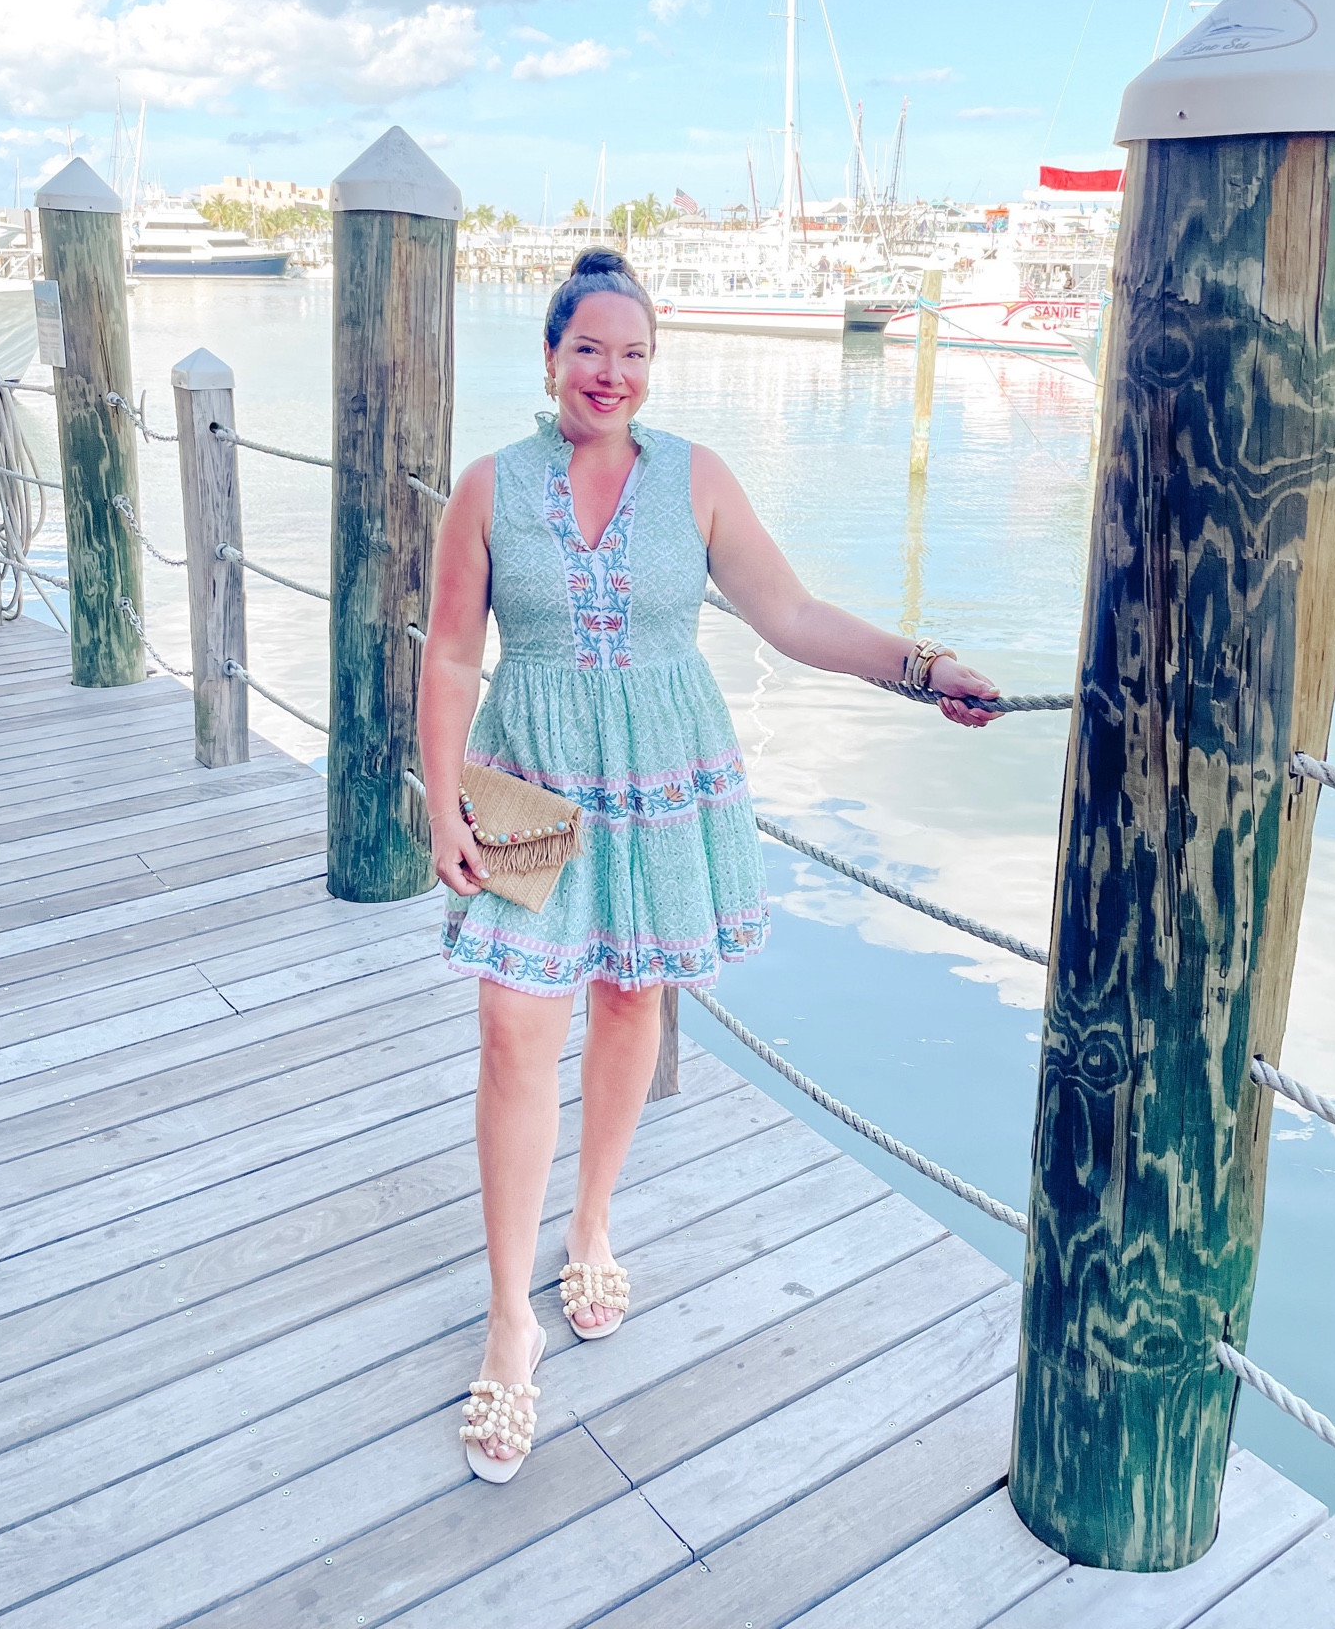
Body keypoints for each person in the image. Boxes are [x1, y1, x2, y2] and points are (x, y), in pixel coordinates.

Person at [416, 248, 1000, 1482]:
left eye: (633, 353)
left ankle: (590, 1229)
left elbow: (789, 617)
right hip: (525, 774)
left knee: (632, 997)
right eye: (589, 349)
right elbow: (453, 653)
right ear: (551, 355)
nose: (610, 374)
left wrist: (919, 666)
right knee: (516, 1027)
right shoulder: (490, 485)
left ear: (652, 365)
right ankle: (510, 1318)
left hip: (660, 785)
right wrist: (442, 796)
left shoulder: (697, 480)